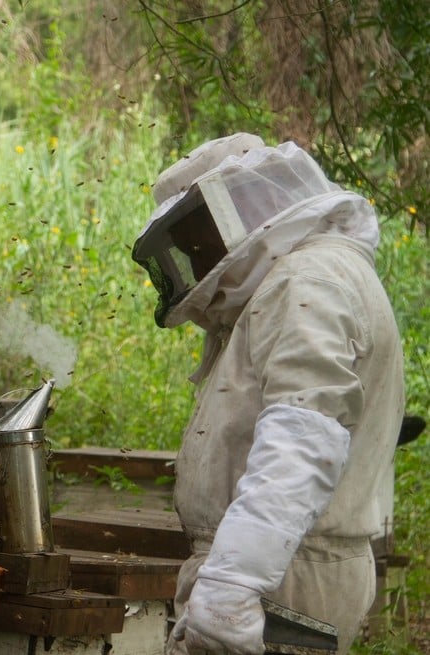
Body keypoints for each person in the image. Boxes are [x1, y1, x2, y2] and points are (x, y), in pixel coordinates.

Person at [131, 133, 405, 654]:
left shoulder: (307, 281)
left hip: (282, 576)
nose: (195, 255)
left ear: (243, 207)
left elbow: (303, 438)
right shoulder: (310, 275)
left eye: (197, 238)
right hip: (281, 566)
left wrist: (234, 583)